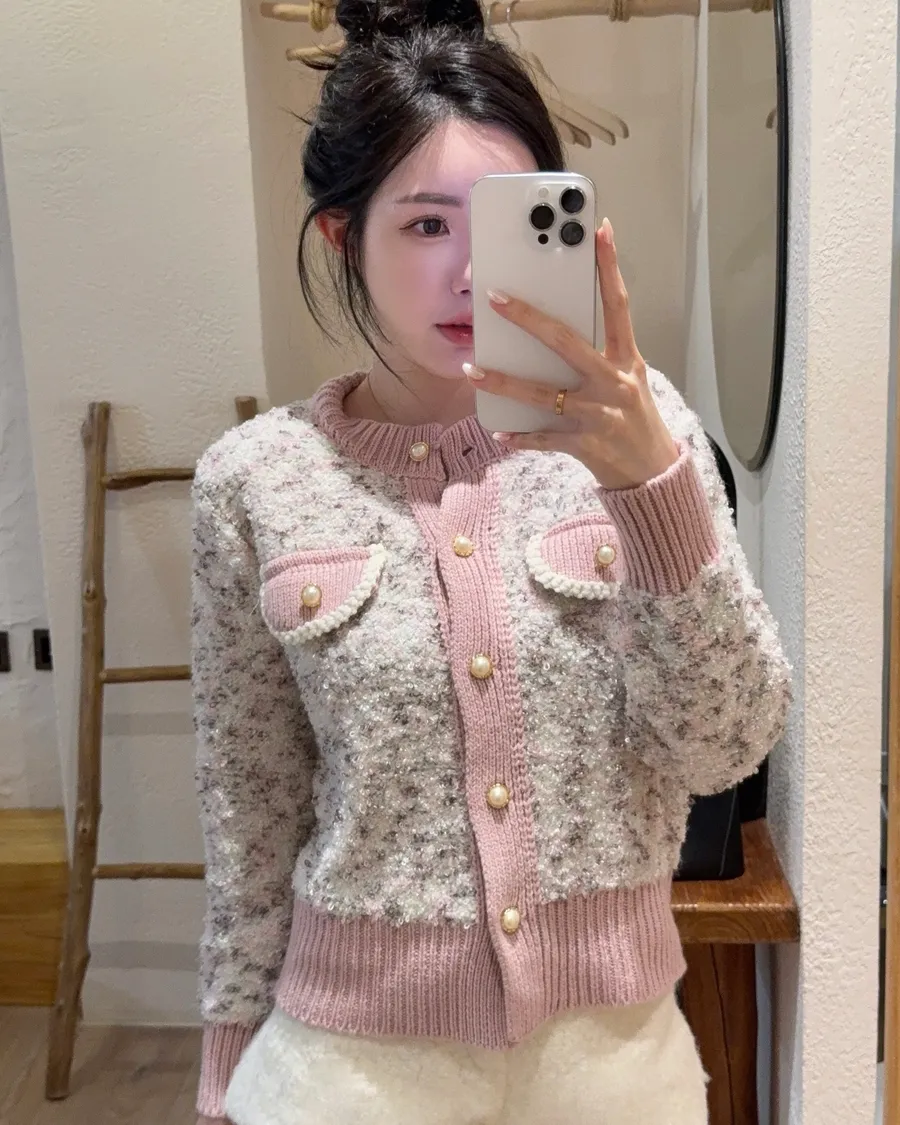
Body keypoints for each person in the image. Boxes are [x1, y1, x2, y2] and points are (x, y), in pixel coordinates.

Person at [191, 0, 792, 1121]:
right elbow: (249, 806)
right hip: (350, 1068)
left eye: (511, 223)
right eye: (426, 225)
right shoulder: (255, 481)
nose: (472, 272)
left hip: (613, 1065)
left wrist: (650, 488)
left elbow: (726, 746)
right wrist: (226, 1055)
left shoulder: (644, 436)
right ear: (342, 238)